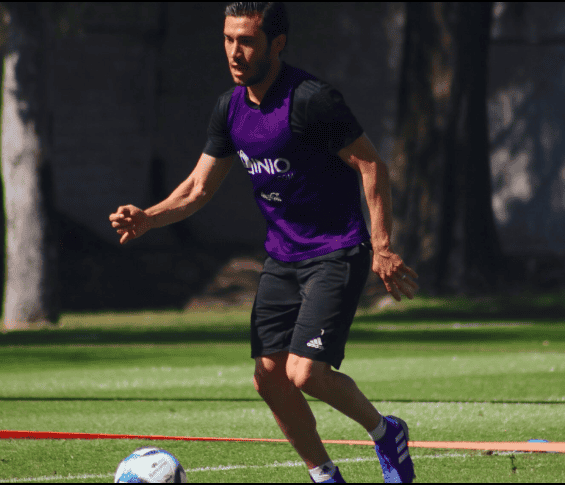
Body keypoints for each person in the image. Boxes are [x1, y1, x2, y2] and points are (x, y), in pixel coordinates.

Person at [109, 2, 419, 483]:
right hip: (282, 259)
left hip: (336, 251)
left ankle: (385, 432)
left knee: (305, 373)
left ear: (277, 44)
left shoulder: (312, 100)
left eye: (247, 41)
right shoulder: (230, 108)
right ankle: (325, 476)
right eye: (228, 39)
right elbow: (197, 188)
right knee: (269, 379)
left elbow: (371, 164)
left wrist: (382, 246)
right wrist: (149, 218)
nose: (235, 52)